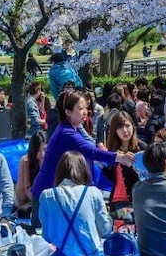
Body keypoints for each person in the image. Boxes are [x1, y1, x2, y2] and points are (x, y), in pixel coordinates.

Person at [31, 91, 135, 226]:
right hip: (47, 192)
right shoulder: (66, 132)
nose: (85, 112)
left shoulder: (72, 129)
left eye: (86, 107)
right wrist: (119, 157)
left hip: (55, 192)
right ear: (68, 112)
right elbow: (90, 151)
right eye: (80, 109)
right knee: (42, 240)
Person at [17, 151, 113, 256]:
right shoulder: (93, 193)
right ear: (84, 170)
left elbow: (47, 237)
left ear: (59, 171)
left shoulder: (47, 195)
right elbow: (105, 231)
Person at [100, 111, 146, 202]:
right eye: (120, 127)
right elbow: (114, 177)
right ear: (114, 131)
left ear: (133, 126)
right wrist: (103, 167)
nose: (125, 130)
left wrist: (131, 165)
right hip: (116, 199)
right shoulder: (113, 151)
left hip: (136, 200)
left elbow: (145, 177)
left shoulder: (141, 148)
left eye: (127, 126)